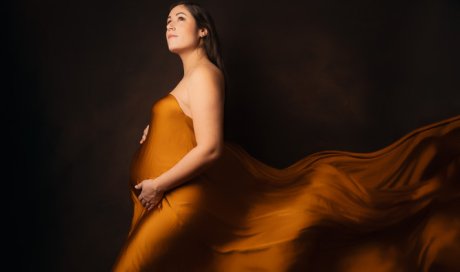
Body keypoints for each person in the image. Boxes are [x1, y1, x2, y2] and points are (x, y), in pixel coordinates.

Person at [113, 1, 460, 271]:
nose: (170, 25)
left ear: (203, 31)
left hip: (178, 202)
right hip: (166, 200)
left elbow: (210, 148)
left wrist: (157, 185)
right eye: (167, 22)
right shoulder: (189, 80)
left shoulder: (205, 75)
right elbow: (185, 127)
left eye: (180, 19)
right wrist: (157, 129)